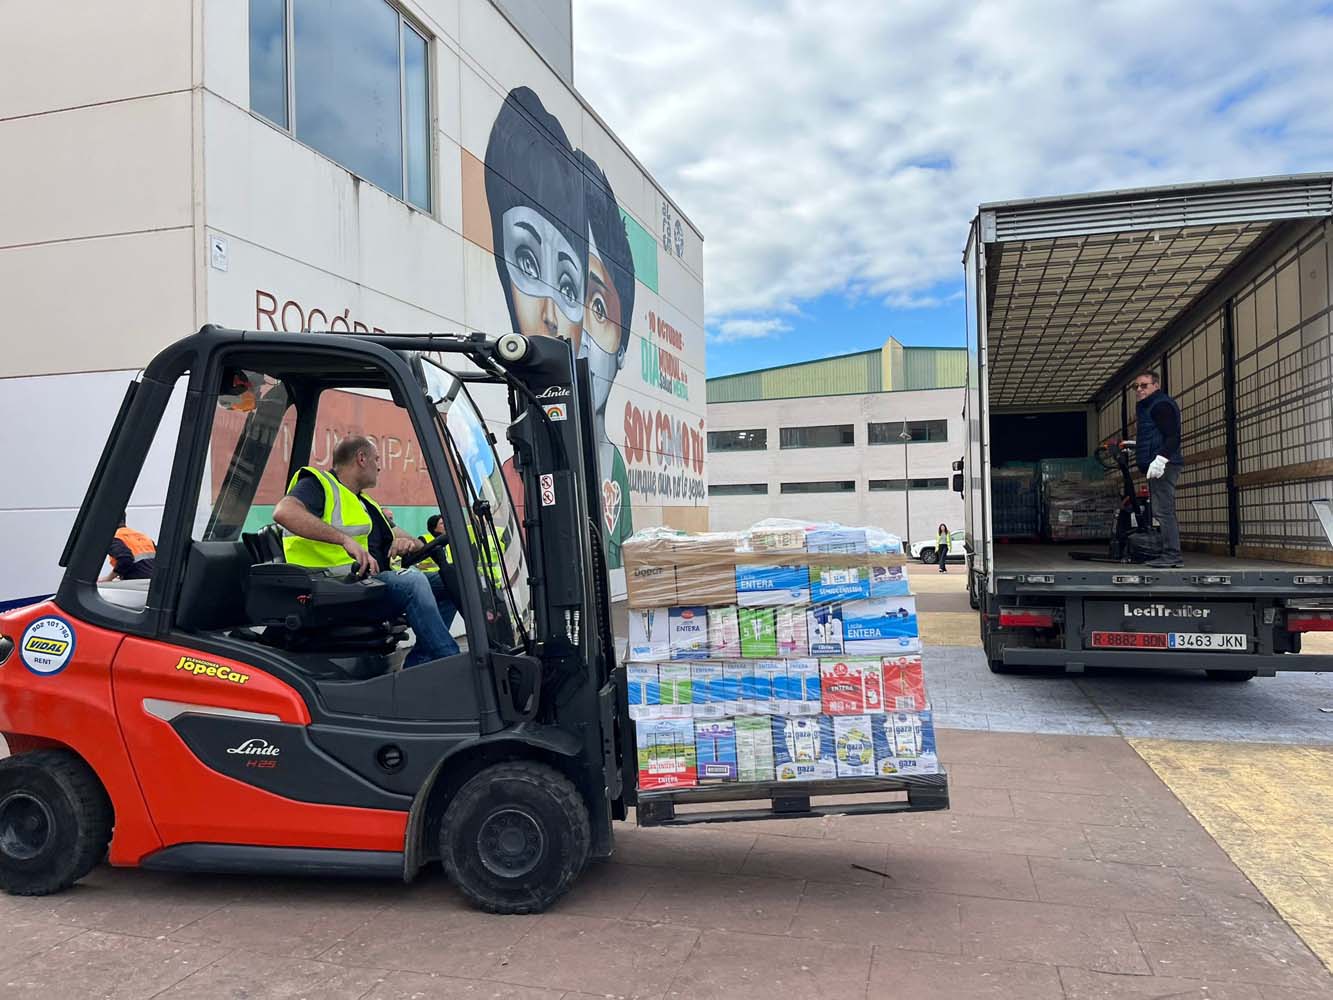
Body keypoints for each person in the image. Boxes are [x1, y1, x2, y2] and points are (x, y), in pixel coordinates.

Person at [273, 436, 460, 666]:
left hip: (369, 585)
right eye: (377, 459)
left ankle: (421, 663)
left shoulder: (365, 503)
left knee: (451, 582)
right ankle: (451, 662)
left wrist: (408, 545)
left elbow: (407, 538)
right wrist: (344, 540)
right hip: (336, 589)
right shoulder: (318, 484)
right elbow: (284, 512)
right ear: (361, 459)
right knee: (413, 581)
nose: (380, 466)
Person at [1133, 370, 1183, 568]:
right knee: (1161, 509)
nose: (1139, 390)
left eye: (1144, 385)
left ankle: (1172, 555)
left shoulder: (1160, 405)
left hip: (1164, 466)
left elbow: (1173, 436)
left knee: (1164, 511)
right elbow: (1153, 434)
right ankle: (1169, 553)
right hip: (1156, 464)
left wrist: (1161, 460)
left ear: (1156, 385)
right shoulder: (1148, 406)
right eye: (1136, 386)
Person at [100, 513, 156, 582]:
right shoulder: (142, 536)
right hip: (154, 583)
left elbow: (125, 559)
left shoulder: (114, 537)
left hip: (136, 584)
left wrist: (108, 578)